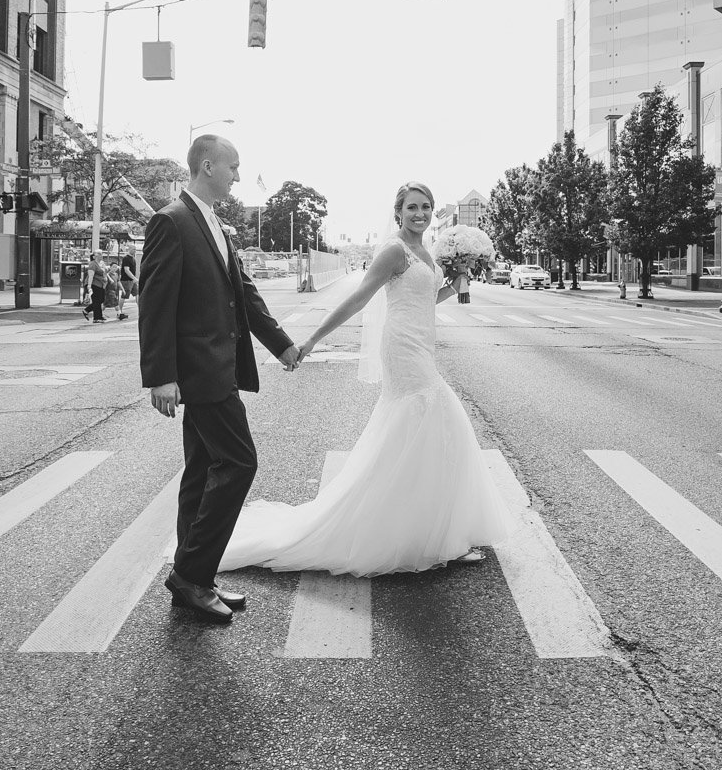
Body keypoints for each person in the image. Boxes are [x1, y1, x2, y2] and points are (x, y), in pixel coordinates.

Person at [219, 181, 511, 578]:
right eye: (412, 207)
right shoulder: (394, 250)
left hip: (422, 345)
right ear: (398, 212)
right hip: (403, 350)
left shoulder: (426, 250)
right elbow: (359, 299)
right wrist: (312, 340)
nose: (420, 214)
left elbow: (425, 299)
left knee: (425, 430)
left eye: (426, 207)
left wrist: (456, 282)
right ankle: (430, 534)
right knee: (433, 420)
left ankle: (434, 529)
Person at [138, 135, 301, 625]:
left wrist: (283, 344)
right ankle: (190, 574)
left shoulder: (214, 223)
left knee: (201, 473)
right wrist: (161, 376)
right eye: (233, 166)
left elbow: (244, 295)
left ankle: (195, 582)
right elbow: (155, 302)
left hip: (219, 369)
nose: (236, 174)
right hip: (200, 372)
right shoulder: (171, 221)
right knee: (239, 462)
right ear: (207, 166)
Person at [83, 252, 108, 322]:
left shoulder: (101, 264)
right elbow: (91, 275)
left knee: (101, 299)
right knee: (96, 300)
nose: (101, 255)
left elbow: (105, 273)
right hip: (94, 284)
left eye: (101, 254)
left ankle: (87, 310)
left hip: (100, 284)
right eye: (99, 254)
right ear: (94, 257)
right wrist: (89, 286)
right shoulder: (92, 264)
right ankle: (97, 318)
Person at [116, 246, 138, 320]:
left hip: (132, 280)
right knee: (124, 296)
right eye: (133, 249)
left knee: (137, 294)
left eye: (135, 249)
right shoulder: (126, 258)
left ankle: (141, 311)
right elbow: (126, 270)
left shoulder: (133, 259)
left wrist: (134, 278)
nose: (135, 251)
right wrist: (134, 278)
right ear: (129, 249)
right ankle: (119, 313)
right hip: (126, 280)